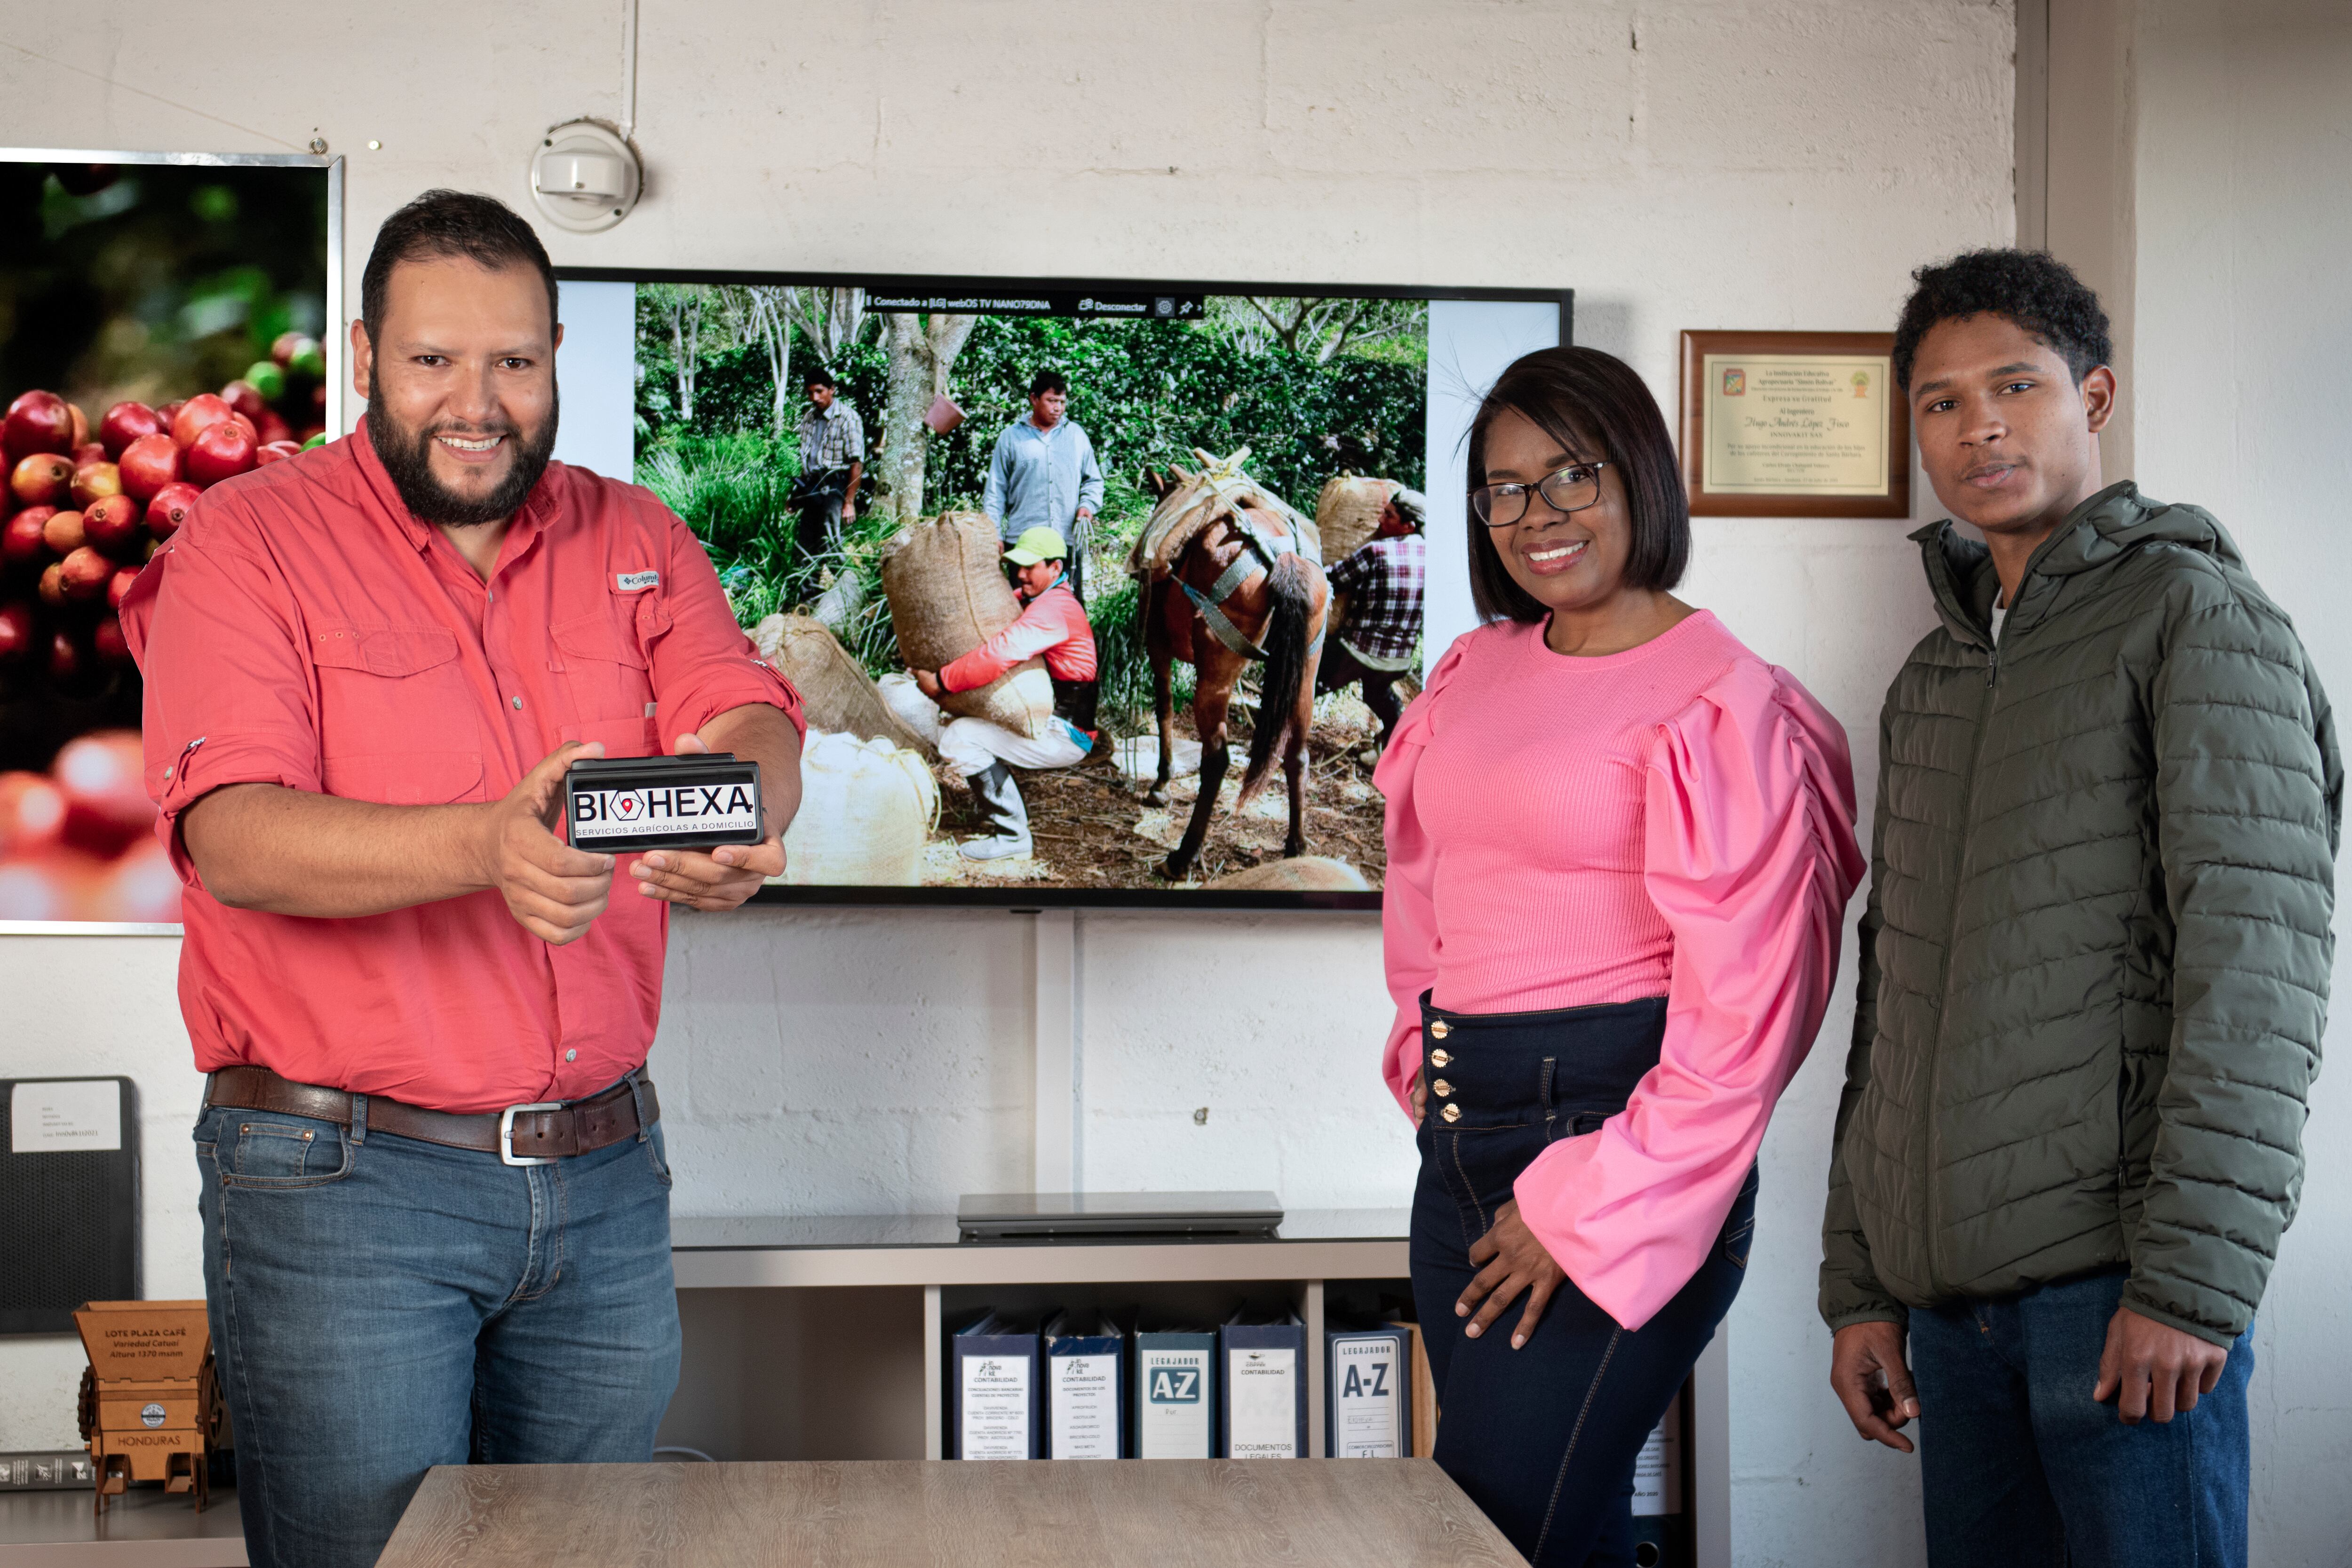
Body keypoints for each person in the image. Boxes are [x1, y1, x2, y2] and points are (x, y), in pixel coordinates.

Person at [119, 191, 806, 1568]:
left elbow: (747, 712)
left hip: (604, 1177)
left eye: (512, 361)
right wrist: (486, 845)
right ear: (367, 355)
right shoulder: (248, 542)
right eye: (434, 360)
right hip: (339, 1185)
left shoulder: (638, 537)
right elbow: (234, 834)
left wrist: (740, 810)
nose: (475, 401)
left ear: (556, 353)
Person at [1820, 250, 2339, 1568]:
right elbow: (1893, 997)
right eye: (1940, 402)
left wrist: (2193, 1286)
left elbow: (2258, 972)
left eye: (2014, 385)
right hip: (1950, 1313)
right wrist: (1862, 1283)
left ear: (2092, 395)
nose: (1979, 424)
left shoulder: (2197, 617)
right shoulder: (1933, 677)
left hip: (2121, 1298)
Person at [1378, 346, 1864, 1566]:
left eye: (1570, 475)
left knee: (1496, 1530)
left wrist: (1594, 1199)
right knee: (1562, 1528)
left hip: (1615, 1137)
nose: (1535, 515)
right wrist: (1429, 1074)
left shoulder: (1723, 697)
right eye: (1503, 487)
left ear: (1641, 473)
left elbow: (1746, 1011)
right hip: (1463, 1150)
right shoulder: (1476, 668)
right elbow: (1429, 887)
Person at [891, 526, 1097, 861]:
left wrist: (942, 681)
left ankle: (1013, 835)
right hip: (1060, 727)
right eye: (1019, 566)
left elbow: (1000, 652)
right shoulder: (1045, 599)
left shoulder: (1055, 608)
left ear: (1056, 568)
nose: (1021, 574)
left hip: (1065, 736)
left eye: (1031, 567)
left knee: (958, 737)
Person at [1317, 486, 1426, 755]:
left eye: (1389, 516)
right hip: (1399, 660)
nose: (1380, 520)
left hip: (1357, 653)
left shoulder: (1377, 552)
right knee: (1377, 694)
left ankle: (1276, 734)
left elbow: (1334, 578)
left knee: (1307, 683)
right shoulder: (1431, 556)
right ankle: (1395, 747)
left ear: (1408, 526)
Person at [982, 369, 1102, 599]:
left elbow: (1093, 480)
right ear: (1034, 399)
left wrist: (1088, 505)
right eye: (1051, 401)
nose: (1058, 408)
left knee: (1065, 605)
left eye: (1062, 402)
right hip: (1022, 544)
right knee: (1023, 608)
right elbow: (996, 492)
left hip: (1064, 541)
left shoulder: (1077, 436)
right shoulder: (1010, 438)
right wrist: (995, 534)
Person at [791, 367, 865, 557]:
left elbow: (857, 463)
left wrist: (849, 502)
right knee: (806, 541)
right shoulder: (809, 417)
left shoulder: (848, 417)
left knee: (830, 540)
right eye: (810, 393)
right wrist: (797, 495)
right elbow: (807, 460)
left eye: (819, 391)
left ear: (832, 389)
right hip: (812, 484)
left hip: (835, 484)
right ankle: (807, 586)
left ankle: (843, 581)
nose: (814, 398)